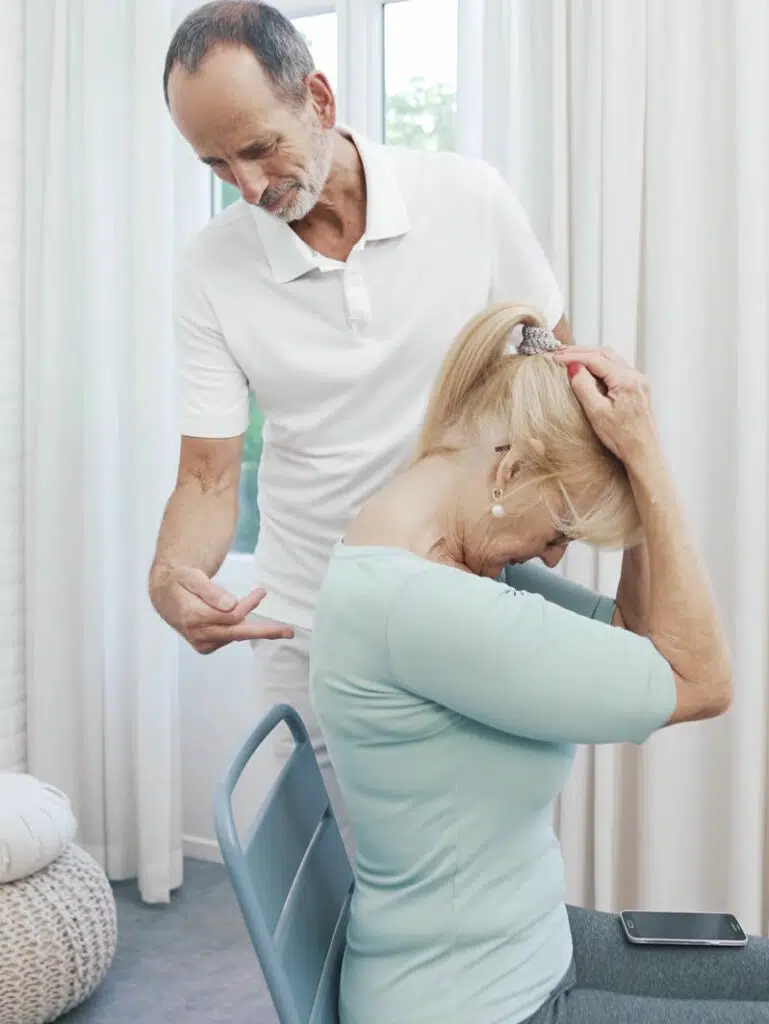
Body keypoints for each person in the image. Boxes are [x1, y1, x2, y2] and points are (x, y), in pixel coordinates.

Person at [310, 303, 769, 1024]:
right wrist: (648, 458)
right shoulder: (421, 606)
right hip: (475, 1002)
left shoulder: (441, 558)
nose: (552, 553)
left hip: (523, 944)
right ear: (507, 472)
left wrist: (633, 472)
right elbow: (701, 682)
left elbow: (641, 633)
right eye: (562, 526)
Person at [151, 0, 569, 839]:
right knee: (328, 893)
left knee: (478, 869)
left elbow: (553, 384)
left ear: (319, 97)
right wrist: (172, 580)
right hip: (311, 625)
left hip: (471, 601)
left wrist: (541, 535)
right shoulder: (209, 267)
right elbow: (207, 475)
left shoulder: (469, 200)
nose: (249, 187)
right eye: (217, 164)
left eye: (259, 147)